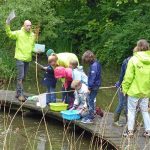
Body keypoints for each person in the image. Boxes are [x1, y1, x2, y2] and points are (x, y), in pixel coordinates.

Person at [122, 39, 150, 137]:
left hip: (134, 91)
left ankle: (130, 132)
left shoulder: (133, 59)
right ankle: (148, 131)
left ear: (137, 47)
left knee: (131, 111)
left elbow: (128, 77)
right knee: (145, 111)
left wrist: (124, 89)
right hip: (146, 92)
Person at [5, 19, 35, 102]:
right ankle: (21, 95)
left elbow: (32, 46)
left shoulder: (32, 35)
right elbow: (9, 34)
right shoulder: (19, 33)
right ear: (23, 25)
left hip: (28, 59)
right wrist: (7, 25)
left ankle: (18, 92)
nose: (29, 27)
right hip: (20, 58)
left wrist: (36, 50)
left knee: (23, 77)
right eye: (27, 25)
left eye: (30, 25)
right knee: (20, 77)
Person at [81, 50, 101, 123]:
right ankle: (90, 114)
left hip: (93, 86)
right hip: (93, 85)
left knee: (90, 101)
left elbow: (93, 77)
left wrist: (89, 88)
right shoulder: (95, 63)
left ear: (88, 58)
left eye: (85, 60)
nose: (85, 62)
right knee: (89, 99)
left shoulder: (94, 65)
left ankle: (91, 117)